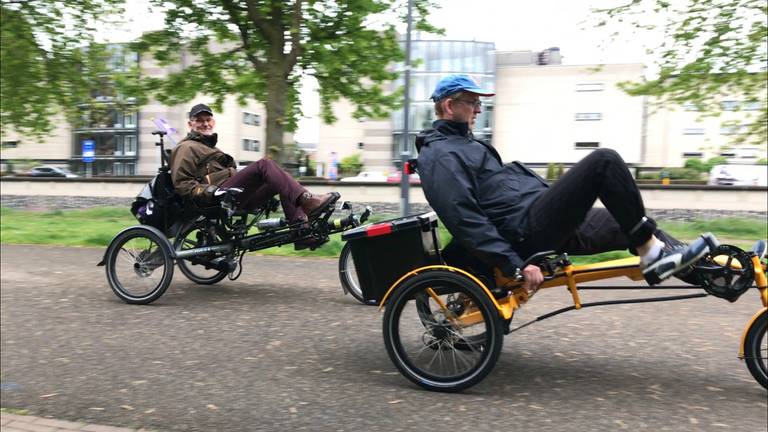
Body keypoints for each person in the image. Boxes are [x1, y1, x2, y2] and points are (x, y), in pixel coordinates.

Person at [415, 74, 716, 292]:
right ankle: (651, 254)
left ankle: (717, 274)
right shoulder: (440, 154)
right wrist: (513, 264)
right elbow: (463, 217)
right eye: (473, 102)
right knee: (604, 161)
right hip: (525, 232)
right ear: (450, 106)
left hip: (539, 220)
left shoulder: (467, 145)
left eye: (479, 103)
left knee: (634, 222)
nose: (479, 110)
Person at [169, 103, 338, 249]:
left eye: (208, 120)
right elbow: (183, 184)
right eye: (199, 120)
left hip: (233, 194)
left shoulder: (208, 147)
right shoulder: (186, 148)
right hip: (217, 198)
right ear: (190, 124)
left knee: (281, 179)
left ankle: (300, 231)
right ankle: (308, 202)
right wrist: (212, 191)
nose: (205, 124)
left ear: (213, 122)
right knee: (264, 164)